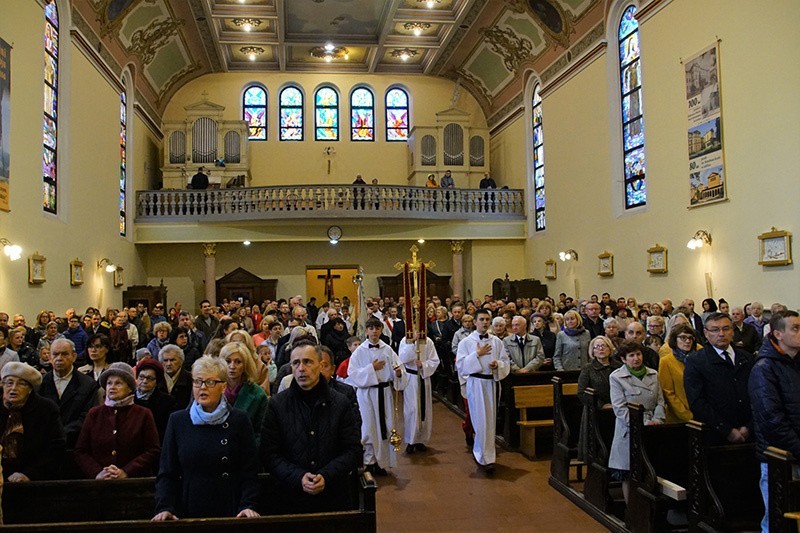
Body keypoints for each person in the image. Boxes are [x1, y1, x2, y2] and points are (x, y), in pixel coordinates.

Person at [154, 356, 260, 520]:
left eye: (210, 382)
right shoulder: (178, 421)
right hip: (189, 508)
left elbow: (249, 471)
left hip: (230, 509)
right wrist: (165, 506)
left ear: (223, 386)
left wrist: (248, 505)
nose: (202, 387)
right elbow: (167, 472)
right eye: (197, 382)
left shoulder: (238, 420)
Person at [261, 341, 362, 513]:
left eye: (308, 362)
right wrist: (298, 477)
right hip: (290, 497)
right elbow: (269, 453)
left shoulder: (340, 403)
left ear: (320, 365)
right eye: (296, 363)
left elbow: (352, 450)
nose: (301, 368)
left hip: (334, 497)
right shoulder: (277, 405)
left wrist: (327, 475)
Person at [749, 311, 800, 532]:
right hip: (780, 458)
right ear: (778, 333)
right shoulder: (764, 368)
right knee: (777, 520)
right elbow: (771, 419)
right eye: (796, 328)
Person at [74, 362, 161, 479]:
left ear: (129, 388)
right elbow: (81, 451)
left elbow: (153, 450)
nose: (112, 387)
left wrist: (126, 471)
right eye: (109, 383)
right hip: (99, 485)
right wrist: (98, 472)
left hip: (135, 483)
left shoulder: (143, 414)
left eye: (118, 383)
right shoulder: (94, 414)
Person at [348, 317, 408, 475]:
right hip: (367, 394)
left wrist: (399, 373)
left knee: (386, 426)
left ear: (381, 330)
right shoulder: (360, 351)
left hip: (384, 392)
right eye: (371, 328)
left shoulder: (387, 349)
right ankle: (369, 461)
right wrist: (371, 368)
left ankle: (383, 463)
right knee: (369, 427)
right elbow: (352, 373)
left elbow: (399, 366)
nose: (374, 331)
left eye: (377, 328)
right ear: (366, 331)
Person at [684, 312, 754, 444]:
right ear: (706, 333)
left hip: (749, 434)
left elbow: (758, 395)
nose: (721, 334)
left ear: (732, 331)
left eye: (726, 329)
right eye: (715, 330)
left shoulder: (747, 358)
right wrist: (727, 430)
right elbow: (697, 402)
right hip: (715, 435)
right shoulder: (696, 361)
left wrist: (749, 426)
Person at [608, 341, 665, 502]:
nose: (636, 359)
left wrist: (657, 419)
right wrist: (640, 425)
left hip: (653, 428)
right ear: (624, 359)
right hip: (630, 429)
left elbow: (660, 401)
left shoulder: (653, 374)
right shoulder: (617, 377)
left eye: (638, 354)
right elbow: (619, 409)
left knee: (652, 471)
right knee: (630, 472)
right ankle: (631, 509)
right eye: (631, 356)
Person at [456, 308, 510, 474]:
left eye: (487, 319)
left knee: (490, 420)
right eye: (482, 319)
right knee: (480, 420)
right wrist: (477, 355)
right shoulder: (466, 342)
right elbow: (460, 365)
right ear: (475, 322)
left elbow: (505, 361)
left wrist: (497, 365)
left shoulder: (496, 341)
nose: (485, 322)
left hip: (491, 383)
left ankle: (488, 455)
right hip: (476, 383)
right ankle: (482, 456)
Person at [0, 362, 66, 481]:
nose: (13, 388)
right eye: (9, 383)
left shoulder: (46, 409)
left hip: (36, 478)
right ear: (2, 385)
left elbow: (55, 448)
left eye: (21, 384)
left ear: (30, 389)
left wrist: (29, 474)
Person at [39, 338, 101, 451]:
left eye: (64, 354)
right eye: (55, 354)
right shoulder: (41, 383)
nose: (59, 358)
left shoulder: (88, 384)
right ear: (49, 358)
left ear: (74, 357)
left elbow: (88, 416)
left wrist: (62, 434)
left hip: (75, 445)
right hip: (44, 445)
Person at [577, 336, 620, 460]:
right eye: (597, 347)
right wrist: (601, 405)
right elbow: (581, 392)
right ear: (593, 351)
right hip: (595, 412)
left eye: (604, 346)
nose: (600, 349)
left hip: (618, 409)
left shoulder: (619, 366)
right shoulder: (588, 368)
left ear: (610, 348)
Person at [398, 330, 440, 454]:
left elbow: (434, 360)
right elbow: (402, 358)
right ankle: (411, 440)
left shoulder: (428, 341)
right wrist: (412, 344)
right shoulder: (405, 341)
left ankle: (421, 439)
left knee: (424, 409)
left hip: (423, 377)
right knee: (411, 409)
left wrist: (423, 365)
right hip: (410, 379)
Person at [219, 342, 268, 447]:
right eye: (228, 361)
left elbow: (262, 432)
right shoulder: (213, 389)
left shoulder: (258, 395)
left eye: (238, 362)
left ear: (245, 365)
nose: (232, 366)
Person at [658, 324, 695, 424]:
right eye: (683, 337)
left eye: (690, 338)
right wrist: (687, 415)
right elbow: (668, 392)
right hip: (679, 418)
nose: (687, 341)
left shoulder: (698, 358)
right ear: (675, 339)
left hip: (701, 413)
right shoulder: (666, 361)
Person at [134, 358, 176, 442]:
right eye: (141, 377)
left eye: (149, 378)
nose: (145, 381)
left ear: (156, 381)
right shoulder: (128, 398)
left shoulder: (167, 401)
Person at [159, 344, 193, 410]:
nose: (169, 364)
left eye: (172, 360)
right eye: (165, 360)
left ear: (181, 361)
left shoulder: (190, 379)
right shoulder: (157, 378)